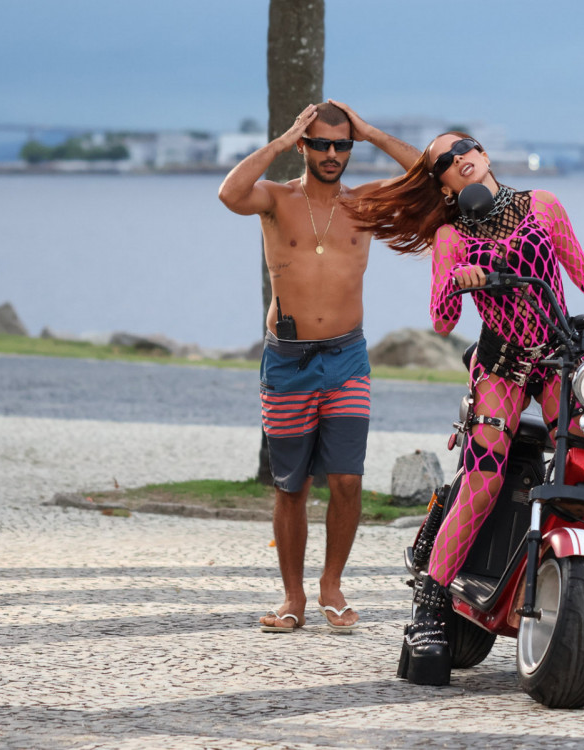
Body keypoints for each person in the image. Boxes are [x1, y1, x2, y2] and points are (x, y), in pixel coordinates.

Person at [348, 132, 584, 682]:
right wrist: (457, 282)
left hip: (556, 355)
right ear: (445, 184)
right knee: (484, 476)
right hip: (499, 365)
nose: (459, 160)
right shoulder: (451, 236)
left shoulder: (544, 206)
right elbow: (444, 320)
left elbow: (583, 275)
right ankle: (429, 607)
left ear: (484, 154)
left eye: (464, 147)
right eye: (444, 162)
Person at [218, 101, 419, 633]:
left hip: (347, 356)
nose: (332, 154)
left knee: (348, 479)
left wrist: (372, 131)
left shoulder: (365, 203)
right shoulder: (277, 199)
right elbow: (229, 193)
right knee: (291, 487)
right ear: (307, 145)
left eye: (342, 144)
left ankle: (332, 585)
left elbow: (431, 180)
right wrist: (282, 141)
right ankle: (293, 597)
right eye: (322, 144)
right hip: (288, 360)